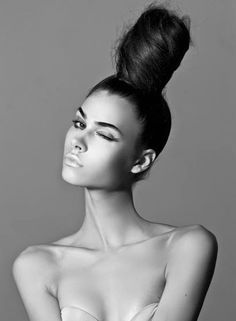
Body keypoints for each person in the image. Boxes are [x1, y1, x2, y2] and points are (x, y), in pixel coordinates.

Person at [12, 3, 218, 321]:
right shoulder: (36, 265)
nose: (77, 141)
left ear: (141, 160)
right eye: (80, 124)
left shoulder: (186, 247)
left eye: (105, 135)